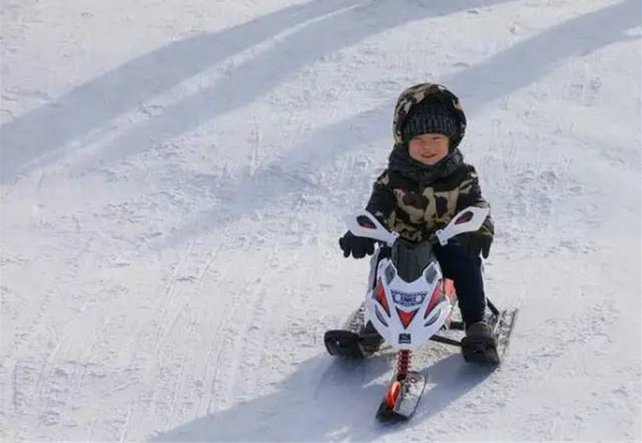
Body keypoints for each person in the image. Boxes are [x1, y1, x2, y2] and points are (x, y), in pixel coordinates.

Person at [338, 83, 495, 346]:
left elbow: (476, 204)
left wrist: (480, 228)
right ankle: (375, 323)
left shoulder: (463, 176)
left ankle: (475, 322)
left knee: (465, 262)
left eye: (436, 139)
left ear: (451, 140)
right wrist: (362, 232)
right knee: (383, 264)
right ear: (404, 141)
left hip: (445, 244)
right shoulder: (391, 179)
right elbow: (377, 210)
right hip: (402, 245)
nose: (428, 147)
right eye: (419, 140)